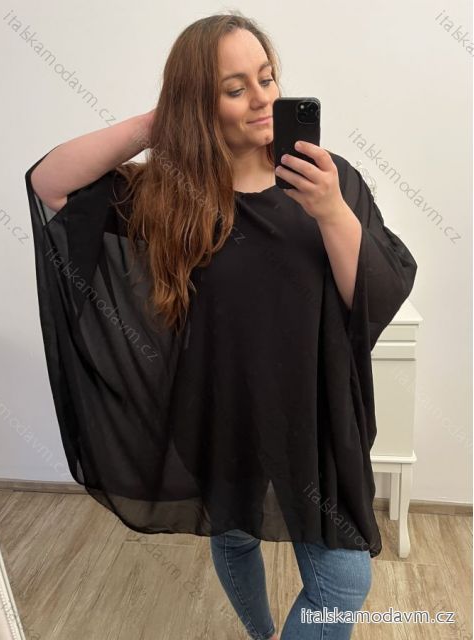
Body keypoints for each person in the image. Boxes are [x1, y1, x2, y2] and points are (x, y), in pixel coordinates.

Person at [25, 12, 418, 640]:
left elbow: (375, 293)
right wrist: (157, 123)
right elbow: (50, 182)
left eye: (267, 77)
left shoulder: (326, 176)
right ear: (199, 103)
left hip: (313, 413)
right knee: (234, 535)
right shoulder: (172, 194)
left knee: (345, 581)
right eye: (235, 88)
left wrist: (330, 211)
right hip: (220, 408)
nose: (262, 98)